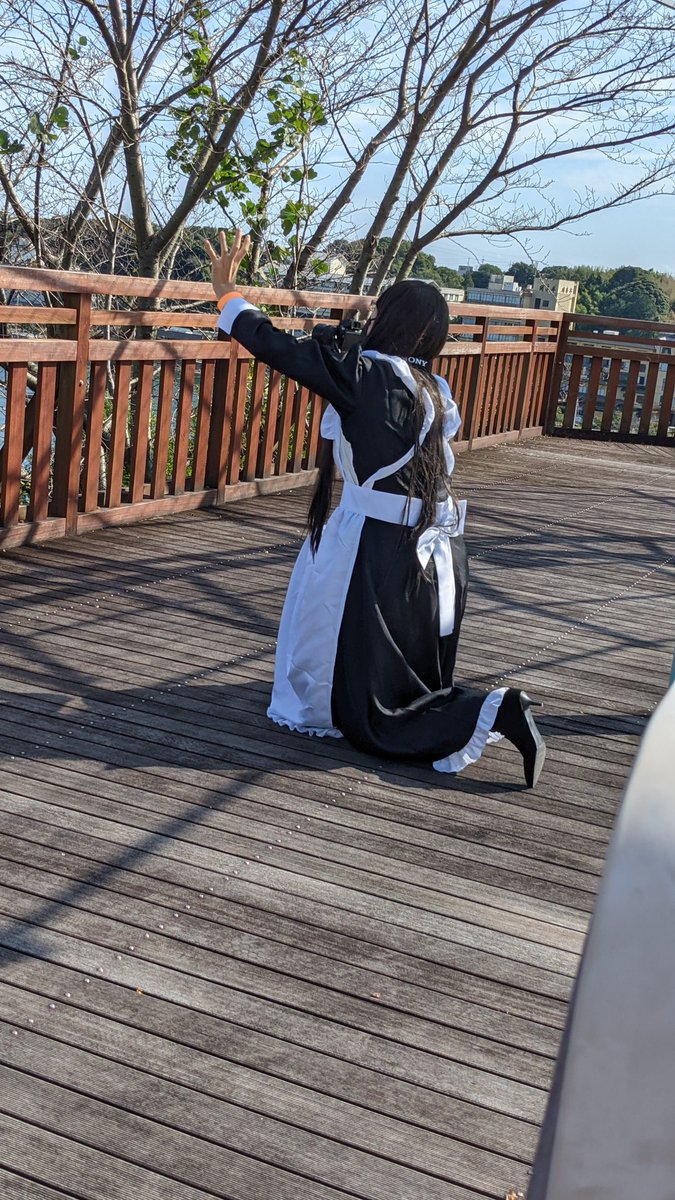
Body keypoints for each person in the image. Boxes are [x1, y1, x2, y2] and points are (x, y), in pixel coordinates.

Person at [206, 229, 546, 787]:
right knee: (406, 677)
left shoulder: (367, 376)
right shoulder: (432, 386)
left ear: (387, 320)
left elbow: (278, 349)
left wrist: (228, 294)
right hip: (438, 551)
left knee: (374, 711)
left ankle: (491, 710)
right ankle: (478, 711)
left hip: (380, 547)